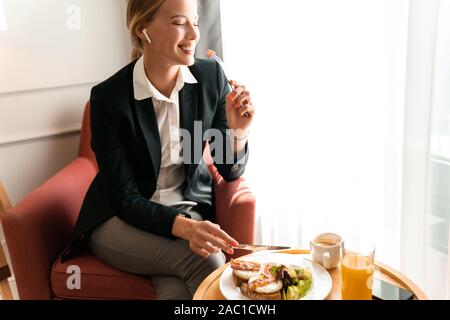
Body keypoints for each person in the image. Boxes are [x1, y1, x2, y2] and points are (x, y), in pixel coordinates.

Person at [63, 0, 255, 300]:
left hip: (185, 208)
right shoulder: (109, 99)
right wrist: (186, 230)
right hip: (118, 221)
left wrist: (238, 131)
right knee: (205, 260)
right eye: (180, 23)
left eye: (195, 21)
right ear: (143, 29)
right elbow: (125, 199)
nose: (194, 34)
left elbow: (228, 170)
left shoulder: (209, 80)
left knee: (177, 290)